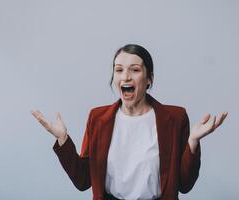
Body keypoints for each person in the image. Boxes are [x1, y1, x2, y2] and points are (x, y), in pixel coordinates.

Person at [31, 44, 228, 200]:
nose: (125, 76)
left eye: (134, 70)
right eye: (119, 70)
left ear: (149, 79)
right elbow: (83, 181)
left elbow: (184, 185)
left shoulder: (175, 118)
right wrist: (63, 140)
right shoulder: (98, 118)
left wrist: (193, 142)